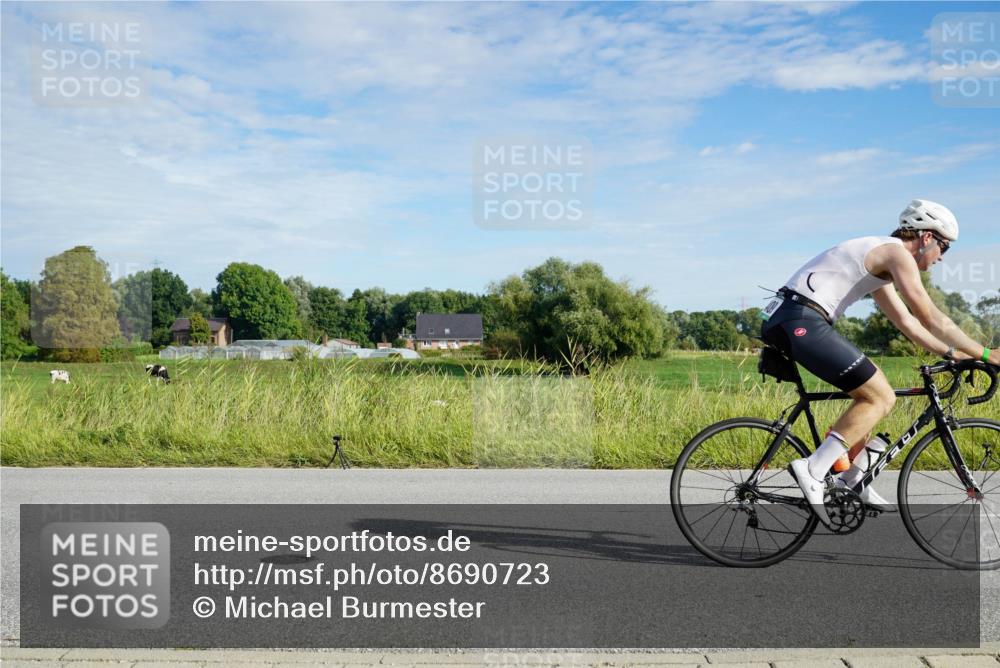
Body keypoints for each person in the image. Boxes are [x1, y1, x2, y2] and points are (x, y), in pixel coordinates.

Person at [760, 199, 999, 526]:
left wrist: (953, 354)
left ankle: (852, 479)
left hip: (793, 317)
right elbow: (929, 316)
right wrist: (985, 354)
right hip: (800, 319)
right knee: (880, 397)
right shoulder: (897, 254)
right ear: (927, 237)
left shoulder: (882, 260)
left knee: (871, 390)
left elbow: (908, 323)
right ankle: (813, 469)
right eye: (944, 247)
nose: (942, 257)